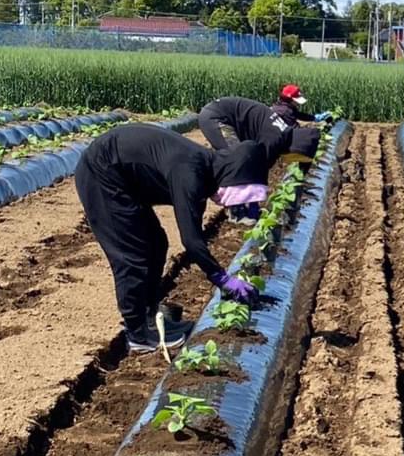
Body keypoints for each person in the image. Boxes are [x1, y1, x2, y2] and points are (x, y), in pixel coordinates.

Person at [75, 123, 263, 355]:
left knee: (157, 243)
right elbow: (191, 242)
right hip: (101, 174)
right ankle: (138, 335)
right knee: (131, 255)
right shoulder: (190, 174)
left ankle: (151, 317)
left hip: (125, 179)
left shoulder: (206, 171)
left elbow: (195, 233)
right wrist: (222, 278)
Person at [197, 95, 322, 223]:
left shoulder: (282, 133)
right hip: (216, 118)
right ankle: (236, 212)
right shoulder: (275, 139)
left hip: (223, 115)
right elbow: (259, 167)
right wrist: (254, 203)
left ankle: (240, 204)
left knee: (244, 161)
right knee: (236, 161)